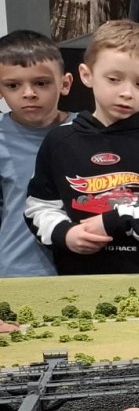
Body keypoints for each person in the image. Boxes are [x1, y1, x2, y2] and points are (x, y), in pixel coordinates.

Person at [25, 20, 139, 274]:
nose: (126, 92)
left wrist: (119, 220)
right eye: (114, 79)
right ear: (87, 75)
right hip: (77, 278)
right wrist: (64, 233)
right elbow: (39, 207)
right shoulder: (59, 141)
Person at [0, 31, 73, 277]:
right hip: (18, 271)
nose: (28, 93)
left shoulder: (91, 131)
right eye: (13, 85)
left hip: (88, 269)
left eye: (41, 83)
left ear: (65, 83)